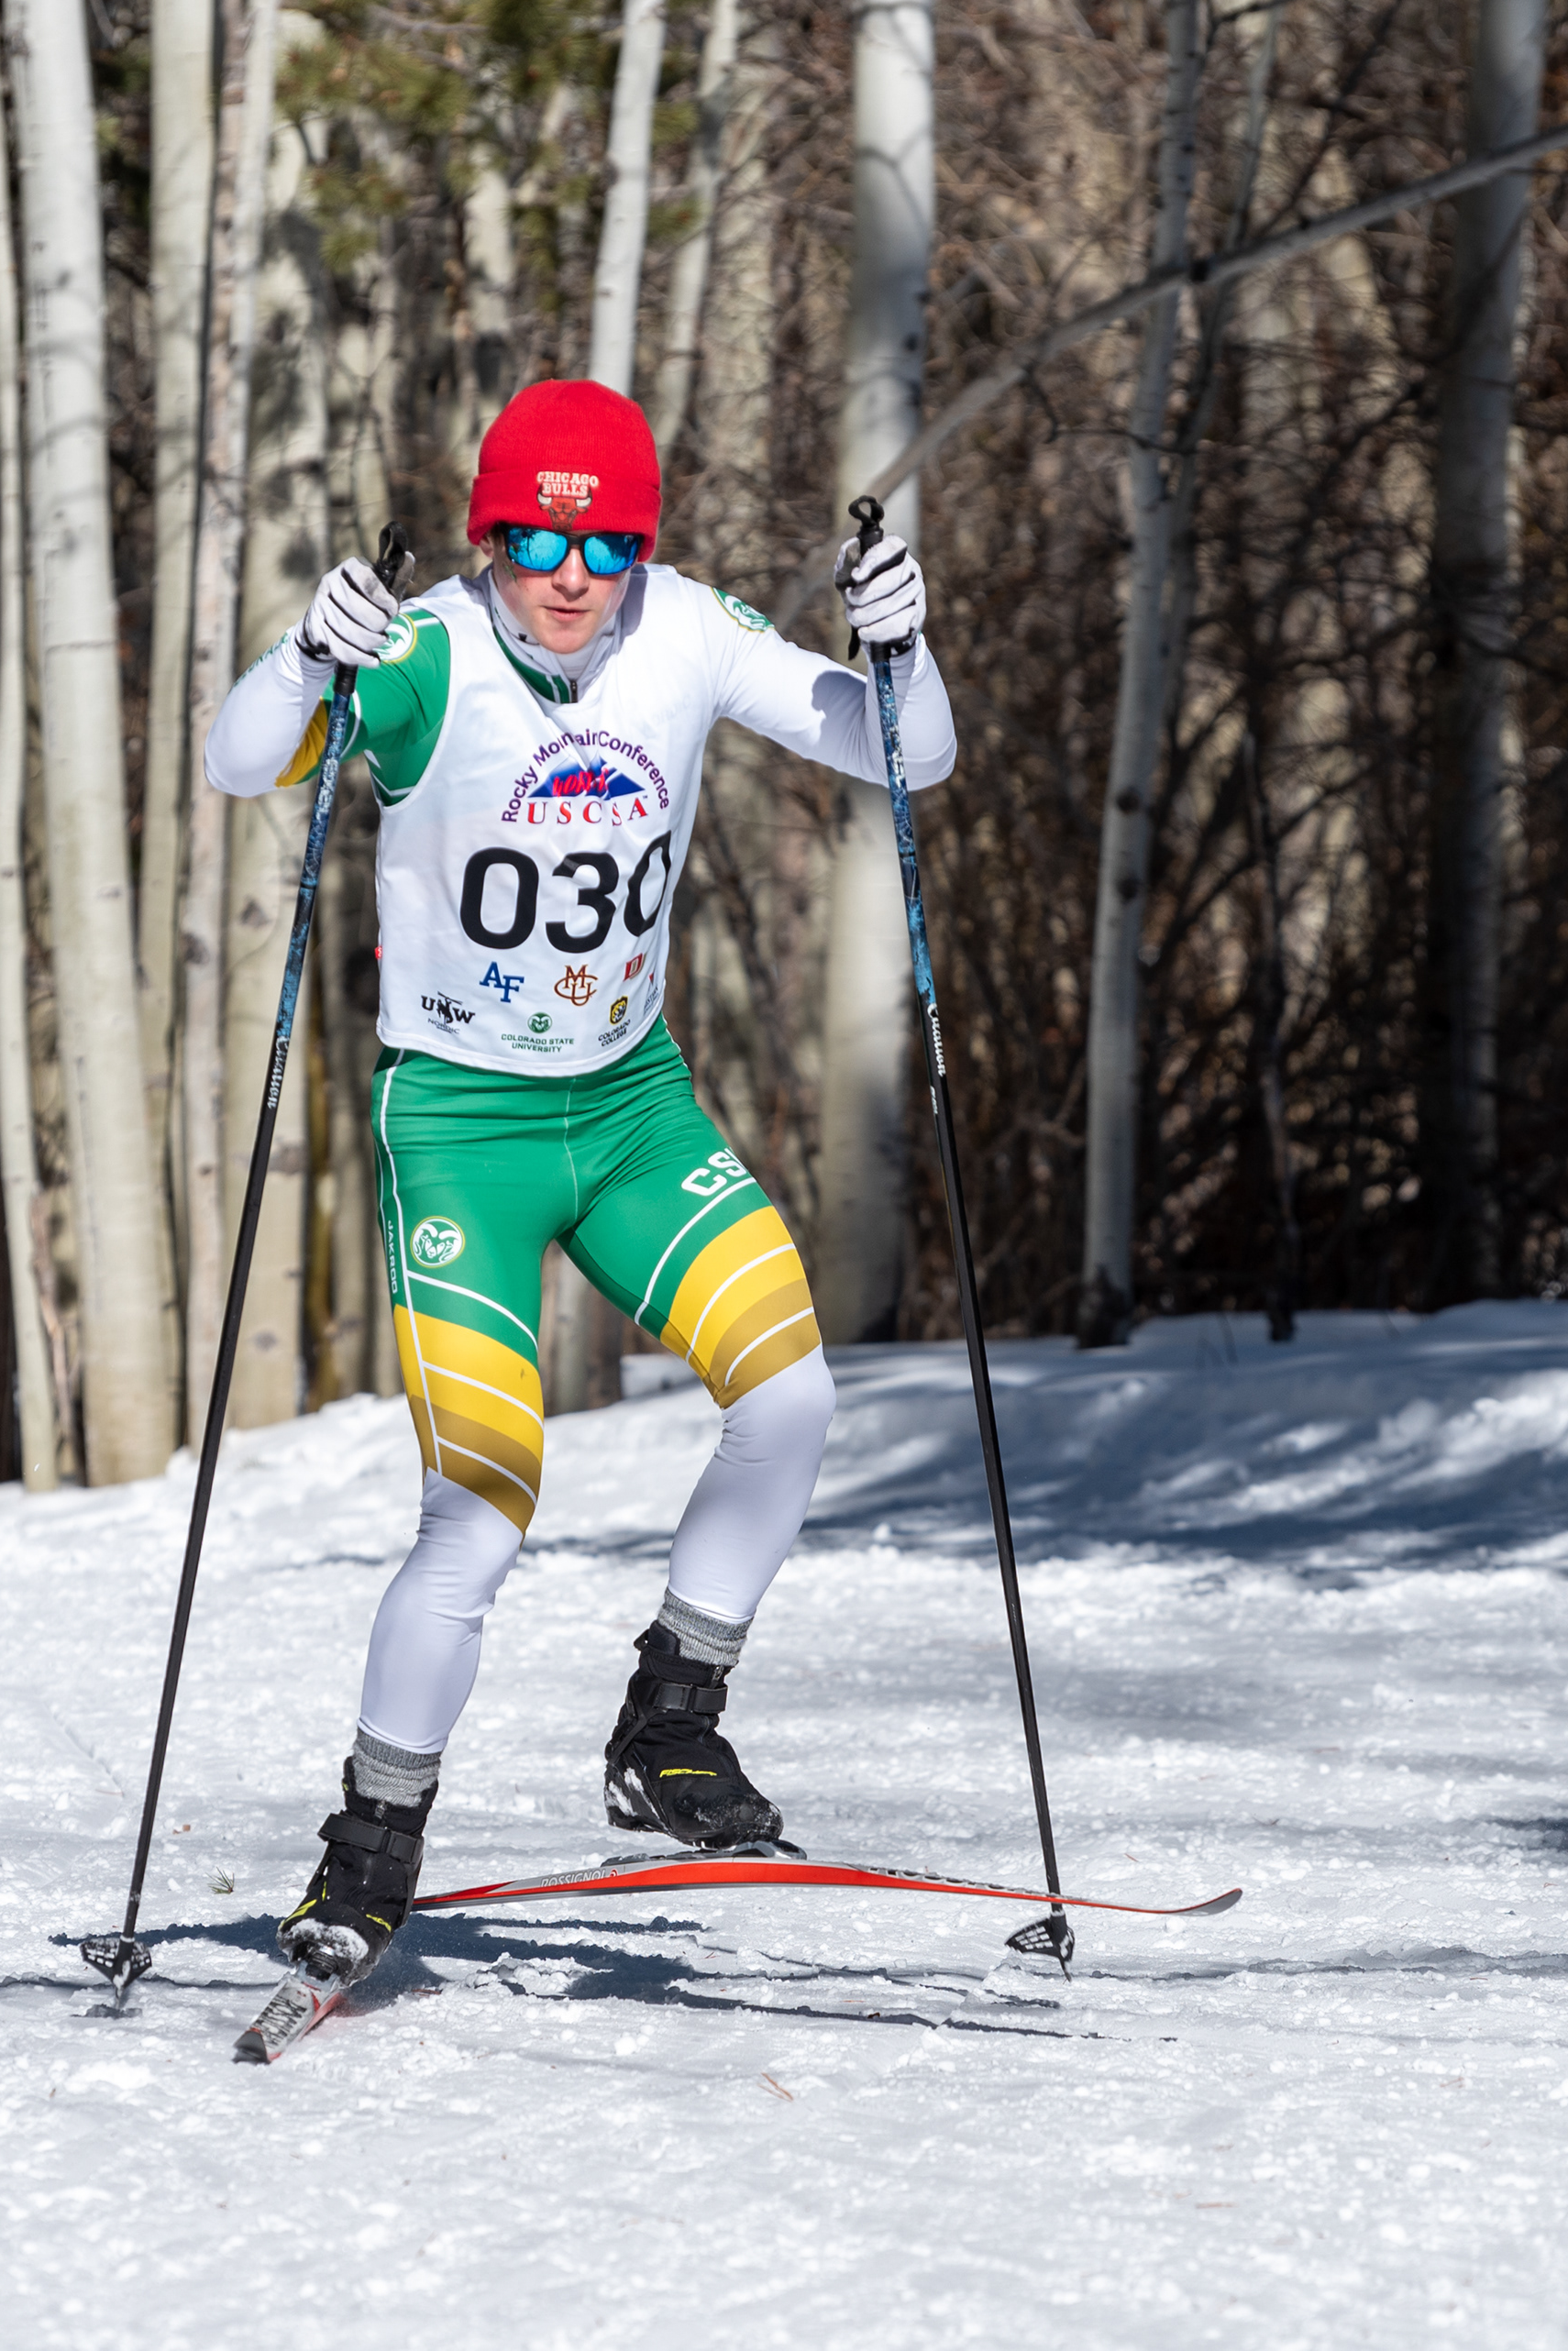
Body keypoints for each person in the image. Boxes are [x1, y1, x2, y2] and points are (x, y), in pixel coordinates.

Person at [201, 378, 952, 1984]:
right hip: (461, 1126)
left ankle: (669, 1721)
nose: (572, 574)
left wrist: (900, 648)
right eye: (537, 539)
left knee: (793, 1397)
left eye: (606, 542)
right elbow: (238, 758)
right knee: (481, 1506)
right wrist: (308, 654)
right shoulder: (426, 654)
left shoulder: (684, 630)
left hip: (627, 1111)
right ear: (489, 536)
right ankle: (371, 1846)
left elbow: (911, 755)